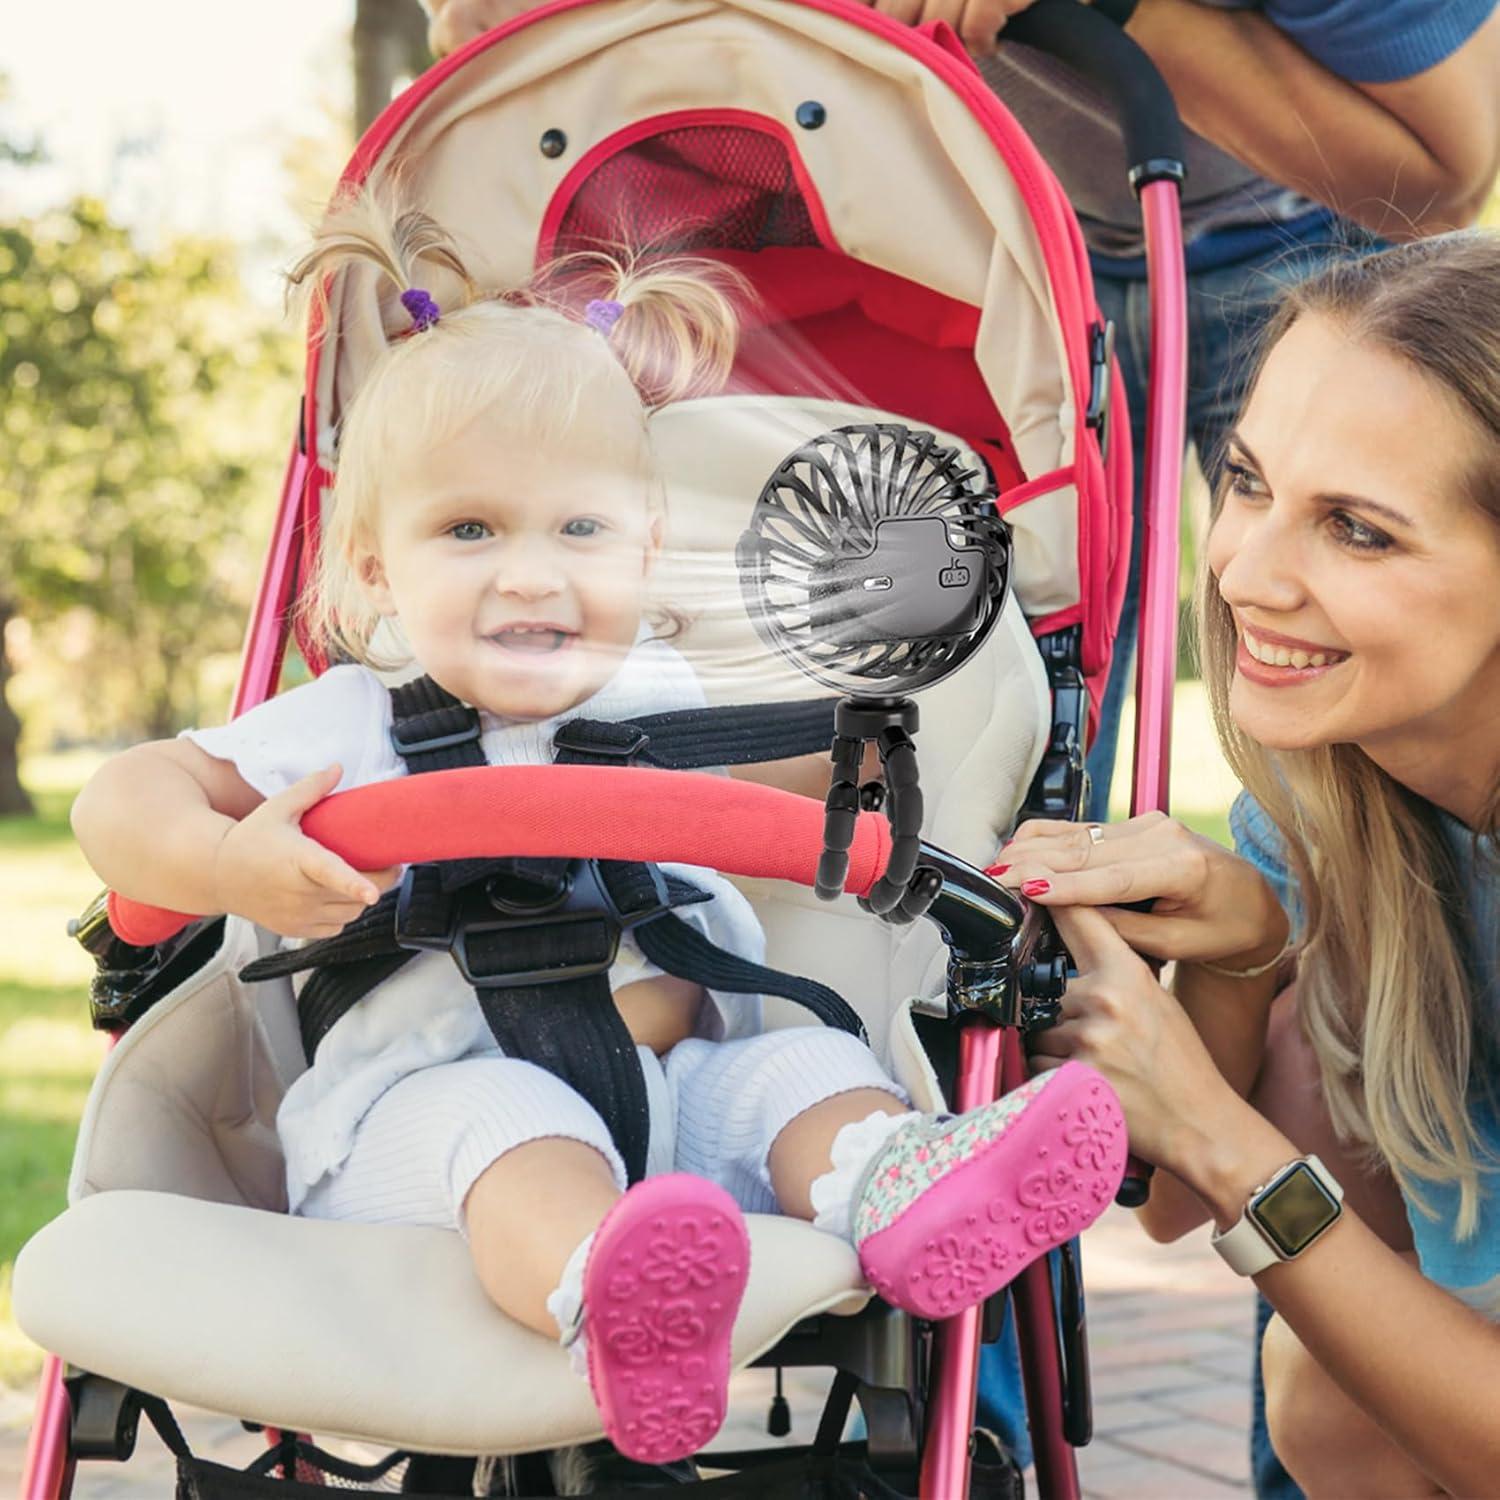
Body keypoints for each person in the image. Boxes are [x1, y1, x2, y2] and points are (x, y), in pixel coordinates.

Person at [68, 187, 1130, 1467]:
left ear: (647, 553)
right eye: (470, 530)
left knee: (796, 1073)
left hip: (677, 1110)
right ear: (368, 571)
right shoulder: (344, 721)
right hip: (420, 1140)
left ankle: (902, 1184)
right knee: (511, 1118)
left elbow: (793, 809)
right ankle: (610, 1301)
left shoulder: (669, 704)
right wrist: (230, 859)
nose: (532, 571)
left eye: (582, 530)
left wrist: (898, 782)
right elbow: (117, 801)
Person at [995, 228, 1500, 1498]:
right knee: (1326, 1393)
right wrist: (1247, 945)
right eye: (1249, 482)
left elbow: (1222, 1170)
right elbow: (1171, 1209)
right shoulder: (1342, 802)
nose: (1246, 572)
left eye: (1360, 533)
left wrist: (1221, 1139)